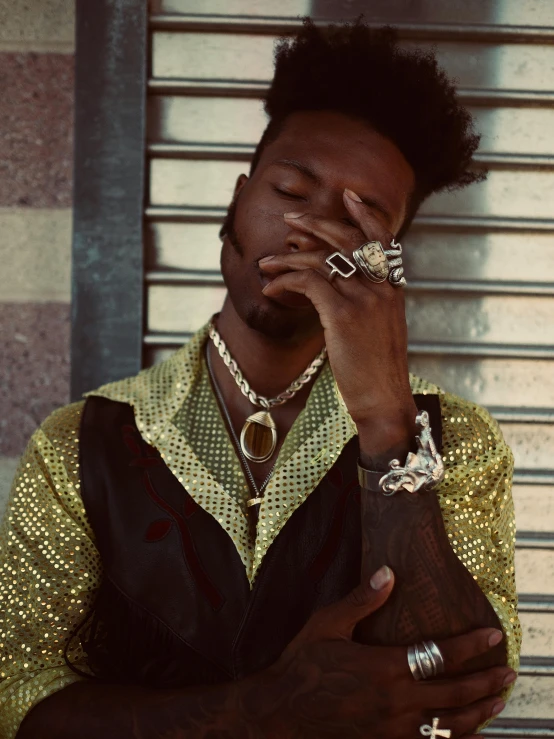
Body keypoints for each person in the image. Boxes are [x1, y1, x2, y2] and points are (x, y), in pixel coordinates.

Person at [0, 18, 520, 739]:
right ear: (234, 206)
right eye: (291, 189)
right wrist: (257, 710)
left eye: (357, 219)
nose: (310, 230)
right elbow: (22, 703)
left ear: (387, 265)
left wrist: (385, 421)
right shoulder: (77, 445)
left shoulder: (453, 439)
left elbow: (463, 692)